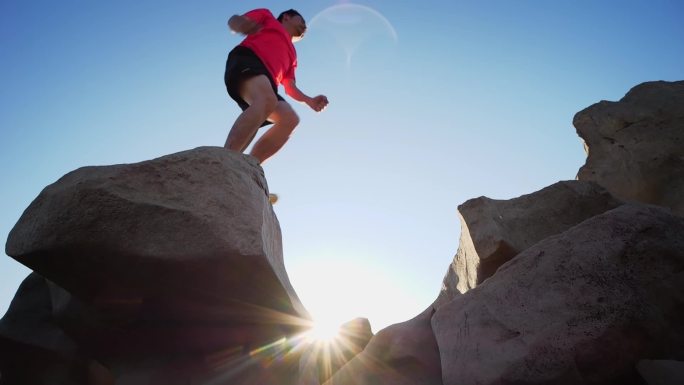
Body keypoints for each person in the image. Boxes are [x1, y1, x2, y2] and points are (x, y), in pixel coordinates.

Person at [224, 8, 329, 164]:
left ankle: (251, 165)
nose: (305, 26)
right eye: (302, 20)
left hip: (266, 83)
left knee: (289, 119)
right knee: (267, 99)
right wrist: (239, 24)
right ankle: (224, 159)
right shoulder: (268, 17)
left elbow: (289, 87)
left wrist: (309, 100)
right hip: (247, 59)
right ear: (287, 17)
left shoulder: (293, 54)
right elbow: (235, 20)